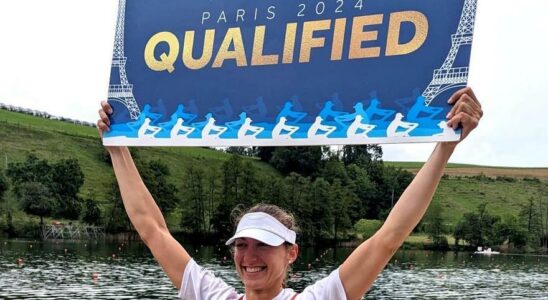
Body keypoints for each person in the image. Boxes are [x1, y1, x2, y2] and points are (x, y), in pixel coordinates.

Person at [96, 87, 483, 299]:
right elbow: (152, 229)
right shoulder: (211, 296)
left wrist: (445, 145)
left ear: (291, 252)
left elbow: (389, 237)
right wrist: (117, 146)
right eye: (242, 244)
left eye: (263, 244)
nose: (249, 256)